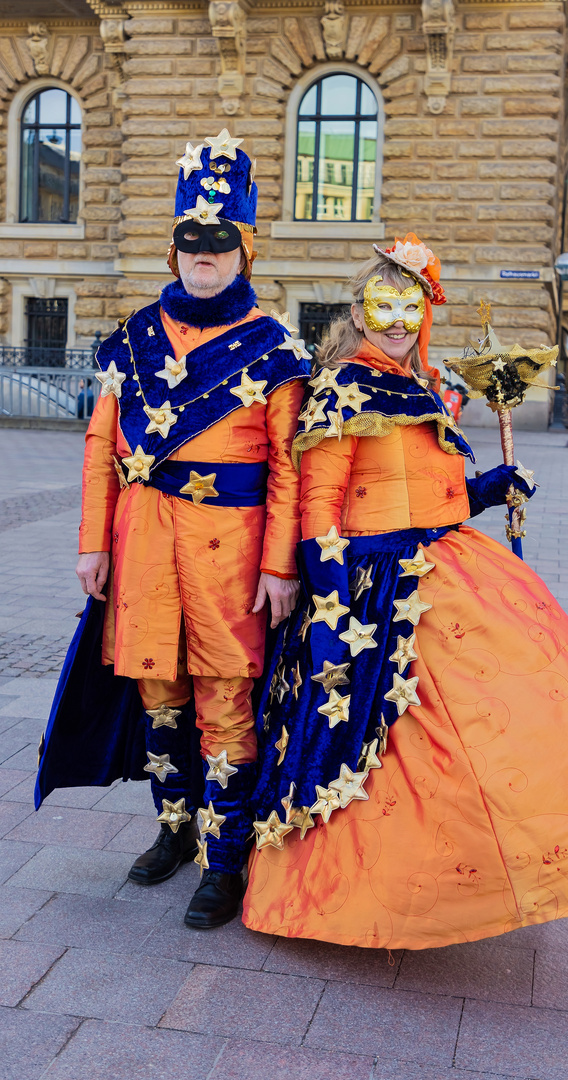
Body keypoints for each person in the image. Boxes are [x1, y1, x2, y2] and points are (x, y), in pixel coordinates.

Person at [240, 234, 568, 951]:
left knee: (509, 714)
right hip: (374, 589)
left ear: (424, 315)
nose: (396, 321)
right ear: (359, 315)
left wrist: (487, 489)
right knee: (395, 743)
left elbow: (440, 494)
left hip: (446, 566)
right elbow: (320, 500)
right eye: (382, 305)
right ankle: (365, 895)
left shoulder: (419, 387)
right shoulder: (341, 389)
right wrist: (331, 603)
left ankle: (493, 869)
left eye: (410, 307)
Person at [36, 130, 311, 928]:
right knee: (159, 696)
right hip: (144, 545)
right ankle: (173, 827)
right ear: (173, 249)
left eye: (220, 241)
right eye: (191, 239)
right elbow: (99, 446)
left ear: (244, 251)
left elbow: (289, 469)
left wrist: (281, 565)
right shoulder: (133, 338)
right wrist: (93, 541)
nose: (204, 253)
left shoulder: (274, 351)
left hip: (231, 559)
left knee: (226, 702)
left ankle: (222, 863)